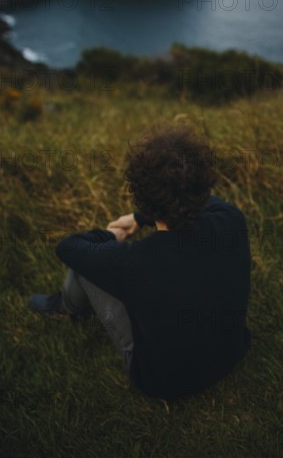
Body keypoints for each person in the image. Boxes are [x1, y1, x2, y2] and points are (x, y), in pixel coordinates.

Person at [28, 123, 252, 401]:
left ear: (142, 194)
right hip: (231, 353)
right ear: (204, 181)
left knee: (87, 266)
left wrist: (110, 234)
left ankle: (65, 307)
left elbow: (69, 247)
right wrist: (138, 218)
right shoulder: (231, 219)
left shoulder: (134, 262)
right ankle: (65, 305)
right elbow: (204, 201)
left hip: (165, 383)